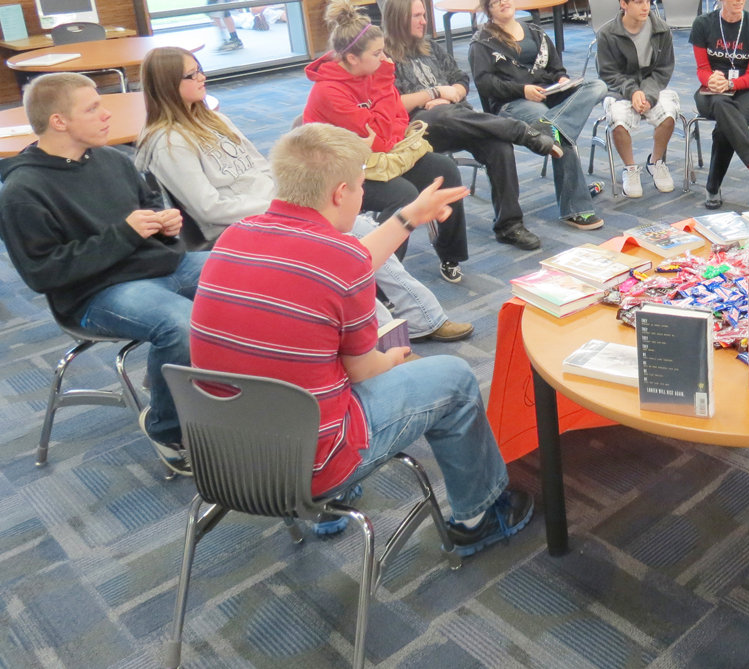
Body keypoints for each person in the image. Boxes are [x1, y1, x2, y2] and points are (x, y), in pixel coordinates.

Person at [191, 123, 533, 554]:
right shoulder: (340, 259)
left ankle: (333, 508)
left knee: (304, 357)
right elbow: (364, 367)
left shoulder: (233, 238)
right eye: (360, 185)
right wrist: (394, 359)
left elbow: (345, 263)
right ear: (340, 193)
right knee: (455, 378)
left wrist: (407, 217)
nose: (363, 194)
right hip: (310, 464)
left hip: (223, 454)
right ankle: (480, 517)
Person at [134, 46, 472, 343]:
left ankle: (423, 318)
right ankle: (381, 339)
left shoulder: (214, 120)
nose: (202, 77)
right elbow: (210, 210)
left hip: (277, 212)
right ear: (167, 86)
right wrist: (283, 207)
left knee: (360, 231)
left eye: (200, 69)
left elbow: (261, 167)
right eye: (191, 75)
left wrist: (294, 200)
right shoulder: (167, 143)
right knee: (342, 249)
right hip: (241, 230)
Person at [0, 73, 203, 475]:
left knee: (246, 274)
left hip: (155, 267)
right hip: (94, 293)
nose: (106, 113)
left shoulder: (111, 159)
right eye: (92, 107)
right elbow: (43, 273)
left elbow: (144, 210)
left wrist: (165, 228)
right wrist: (125, 234)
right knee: (182, 324)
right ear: (59, 122)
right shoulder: (23, 190)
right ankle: (166, 429)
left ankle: (219, 390)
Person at [303, 0, 471, 283]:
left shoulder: (370, 72)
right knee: (402, 195)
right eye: (377, 53)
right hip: (339, 174)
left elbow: (397, 124)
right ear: (352, 58)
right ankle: (380, 281)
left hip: (380, 160)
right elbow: (381, 138)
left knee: (446, 170)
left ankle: (450, 254)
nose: (385, 59)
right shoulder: (329, 92)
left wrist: (383, 126)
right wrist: (384, 89)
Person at [383, 0, 559, 251]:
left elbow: (462, 79)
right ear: (398, 19)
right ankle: (522, 132)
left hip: (459, 115)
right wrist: (433, 93)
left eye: (424, 15)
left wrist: (453, 93)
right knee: (438, 114)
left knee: (498, 145)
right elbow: (390, 103)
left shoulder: (429, 46)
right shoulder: (383, 56)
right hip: (418, 128)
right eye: (416, 16)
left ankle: (509, 226)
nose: (424, 21)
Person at [468, 0, 607, 231]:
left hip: (548, 95)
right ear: (488, 9)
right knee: (559, 135)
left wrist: (562, 80)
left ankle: (552, 127)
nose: (504, 2)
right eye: (497, 1)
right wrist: (522, 90)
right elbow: (485, 83)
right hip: (512, 103)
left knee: (596, 86)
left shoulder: (533, 31)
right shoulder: (482, 42)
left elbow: (556, 66)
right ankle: (576, 208)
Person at [688, 0, 749, 208]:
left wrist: (730, 83)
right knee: (719, 101)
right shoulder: (703, 25)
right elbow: (701, 69)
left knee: (723, 127)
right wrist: (711, 81)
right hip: (711, 92)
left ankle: (712, 187)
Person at [596, 0, 680, 198]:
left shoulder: (661, 30)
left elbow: (663, 70)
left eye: (648, 1)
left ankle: (655, 161)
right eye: (638, 2)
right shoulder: (607, 34)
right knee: (617, 117)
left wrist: (648, 95)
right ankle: (630, 168)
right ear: (624, 4)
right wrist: (633, 91)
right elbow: (608, 73)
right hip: (620, 89)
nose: (645, 7)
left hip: (652, 87)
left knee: (670, 113)